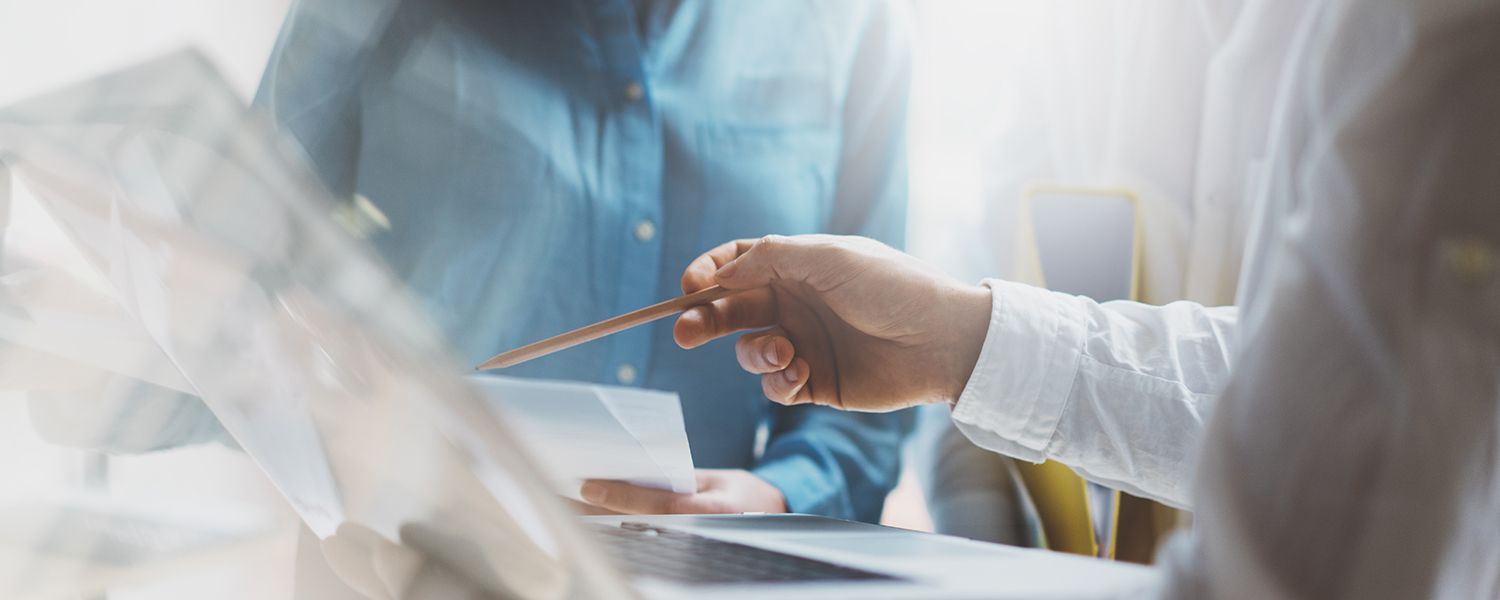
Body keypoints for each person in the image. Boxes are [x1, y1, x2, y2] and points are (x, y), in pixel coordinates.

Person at [591, 1, 1500, 596]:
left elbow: (1330, 502)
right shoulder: (1072, 49)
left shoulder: (1427, 42)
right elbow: (1291, 385)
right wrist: (958, 345)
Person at [247, 0, 915, 521]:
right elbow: (227, 267)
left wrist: (780, 495)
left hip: (702, 574)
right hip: (396, 551)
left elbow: (870, 358)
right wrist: (310, 410)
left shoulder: (858, 23)